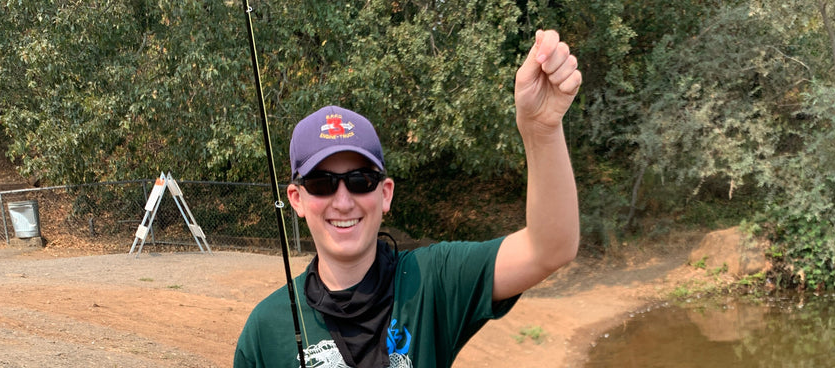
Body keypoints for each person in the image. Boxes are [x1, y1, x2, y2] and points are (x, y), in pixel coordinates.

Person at [234, 29, 581, 368]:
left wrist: (541, 129)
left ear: (385, 194)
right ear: (296, 198)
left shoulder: (434, 280)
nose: (342, 201)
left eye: (360, 180)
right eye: (322, 183)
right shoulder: (265, 331)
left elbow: (550, 248)